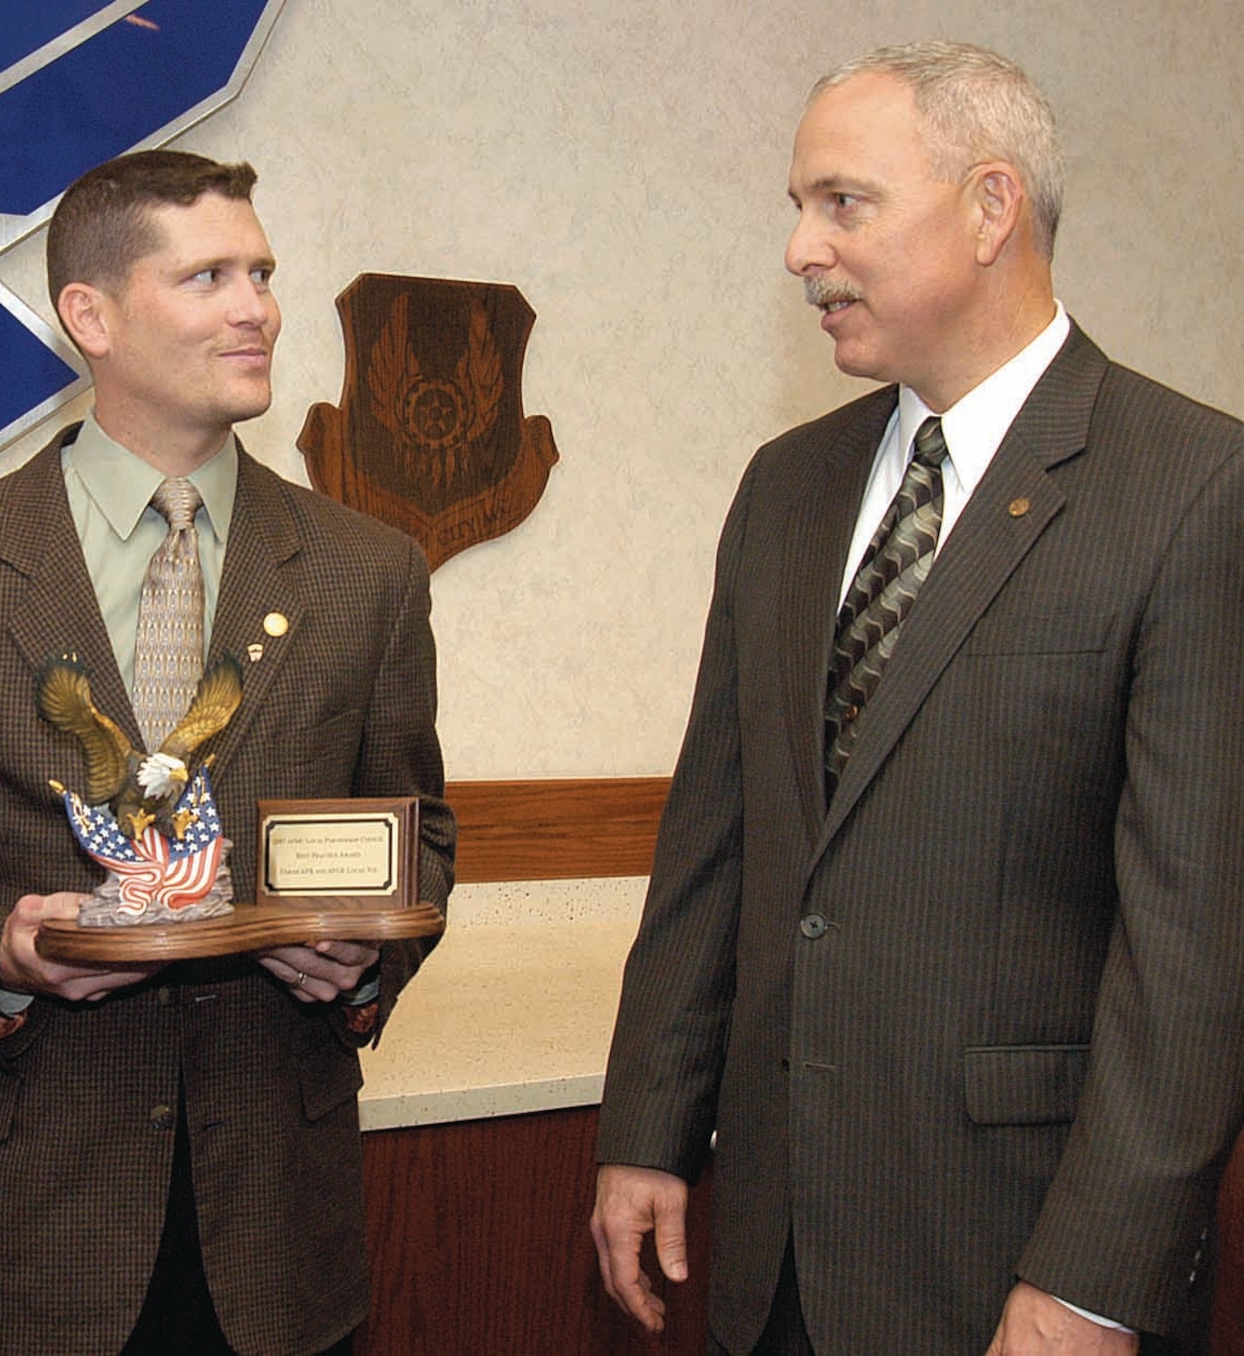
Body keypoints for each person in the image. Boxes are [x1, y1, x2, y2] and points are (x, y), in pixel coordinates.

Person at [591, 41, 1244, 1356]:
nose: (798, 251)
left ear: (992, 206)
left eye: (842, 202)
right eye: (797, 206)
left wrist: (1094, 1280)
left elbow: (1196, 948)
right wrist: (648, 1129)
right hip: (770, 1255)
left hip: (1013, 1259)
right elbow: (713, 845)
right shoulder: (788, 489)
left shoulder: (1192, 488)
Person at [0, 148, 454, 1356]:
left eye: (259, 271)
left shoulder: (368, 572)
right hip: (22, 1232)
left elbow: (418, 831)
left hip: (276, 1223)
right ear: (88, 315)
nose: (256, 305)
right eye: (206, 274)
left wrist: (365, 961)